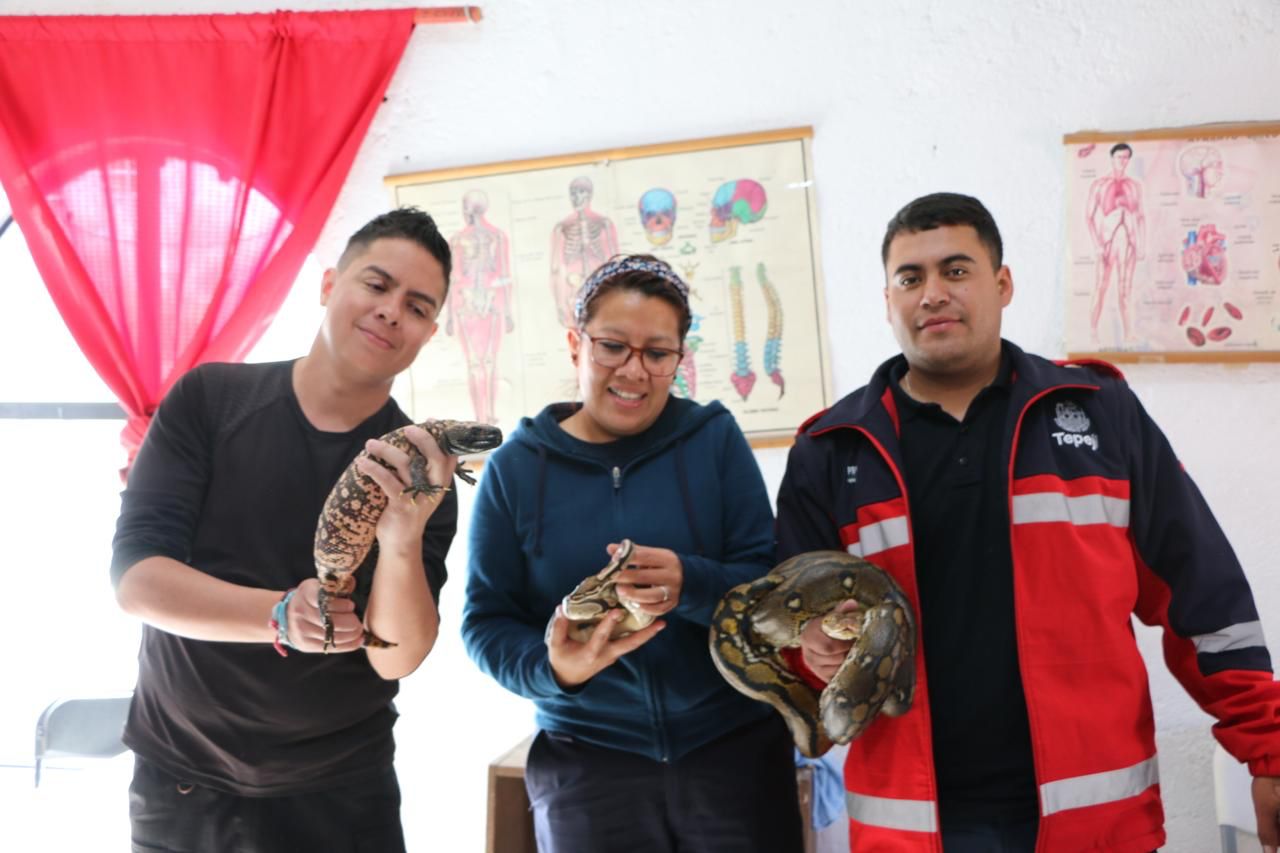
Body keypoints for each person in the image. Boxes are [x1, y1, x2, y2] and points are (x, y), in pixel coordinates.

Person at [775, 192, 1280, 852]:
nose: (933, 293)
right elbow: (790, 639)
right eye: (911, 277)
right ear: (888, 299)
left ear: (1002, 282)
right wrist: (810, 650)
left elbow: (1205, 597)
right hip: (916, 828)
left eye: (956, 270)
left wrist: (1267, 747)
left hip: (1092, 823)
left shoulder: (1102, 416)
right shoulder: (831, 449)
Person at [111, 207, 460, 852]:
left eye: (416, 306)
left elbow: (398, 657)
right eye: (376, 285)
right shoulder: (210, 401)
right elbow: (138, 581)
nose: (390, 311)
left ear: (429, 332)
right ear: (330, 285)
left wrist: (404, 536)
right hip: (184, 783)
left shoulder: (418, 467)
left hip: (341, 793)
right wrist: (278, 615)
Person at [462, 254, 804, 853]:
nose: (634, 371)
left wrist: (691, 583)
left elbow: (772, 589)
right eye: (612, 346)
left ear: (679, 358)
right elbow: (486, 623)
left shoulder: (715, 440)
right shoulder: (515, 470)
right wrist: (554, 671)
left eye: (657, 353)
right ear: (576, 345)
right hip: (586, 766)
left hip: (734, 754)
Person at [1085, 142, 1145, 346]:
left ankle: (1129, 334)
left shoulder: (1134, 186)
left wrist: (1141, 244)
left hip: (1128, 240)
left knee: (1125, 289)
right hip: (1106, 239)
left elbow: (1139, 216)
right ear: (1112, 158)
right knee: (1101, 286)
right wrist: (1096, 244)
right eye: (1119, 157)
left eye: (1126, 157)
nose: (1122, 161)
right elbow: (1089, 217)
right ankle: (1092, 332)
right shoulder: (1100, 185)